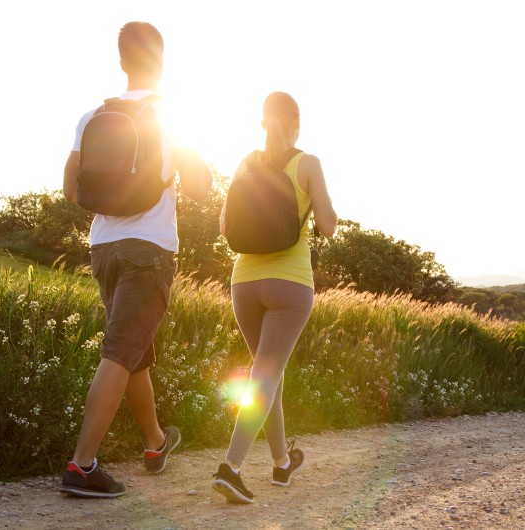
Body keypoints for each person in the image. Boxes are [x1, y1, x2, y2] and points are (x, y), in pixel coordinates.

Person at [59, 21, 213, 498]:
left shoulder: (92, 116)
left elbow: (70, 189)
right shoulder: (171, 118)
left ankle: (154, 443)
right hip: (150, 249)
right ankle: (82, 466)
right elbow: (201, 189)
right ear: (161, 64)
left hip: (103, 247)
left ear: (122, 63)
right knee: (121, 353)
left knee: (133, 354)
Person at [213, 91, 338, 503]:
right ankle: (230, 467)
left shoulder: (246, 162)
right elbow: (329, 226)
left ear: (264, 122)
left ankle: (283, 463)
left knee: (269, 377)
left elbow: (225, 224)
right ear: (296, 123)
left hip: (244, 282)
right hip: (289, 284)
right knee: (264, 377)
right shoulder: (309, 163)